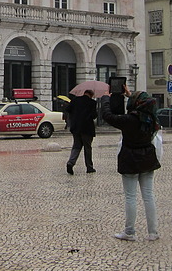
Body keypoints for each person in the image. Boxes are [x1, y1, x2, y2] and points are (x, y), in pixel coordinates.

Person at [97, 84, 161, 241]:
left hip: (130, 159)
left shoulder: (129, 120)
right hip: (147, 158)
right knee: (148, 196)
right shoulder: (151, 118)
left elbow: (107, 116)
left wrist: (106, 97)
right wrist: (130, 95)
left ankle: (130, 232)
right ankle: (153, 232)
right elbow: (144, 104)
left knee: (130, 197)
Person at [64, 89, 97, 174]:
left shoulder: (75, 100)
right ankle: (89, 167)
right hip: (87, 128)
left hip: (75, 127)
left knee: (76, 146)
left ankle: (70, 163)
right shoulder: (92, 103)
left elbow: (68, 109)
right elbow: (94, 115)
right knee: (87, 148)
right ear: (91, 94)